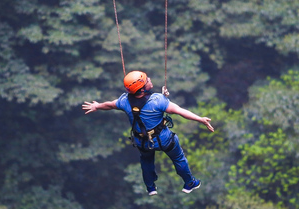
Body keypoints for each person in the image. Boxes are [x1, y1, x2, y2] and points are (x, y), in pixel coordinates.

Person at [82, 71, 214, 196]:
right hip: (164, 139)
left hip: (142, 141)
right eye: (147, 80)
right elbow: (180, 111)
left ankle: (150, 187)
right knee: (178, 158)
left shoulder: (125, 101)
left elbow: (110, 105)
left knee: (146, 160)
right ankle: (189, 183)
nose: (150, 80)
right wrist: (200, 119)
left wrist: (97, 106)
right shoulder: (157, 100)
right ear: (142, 89)